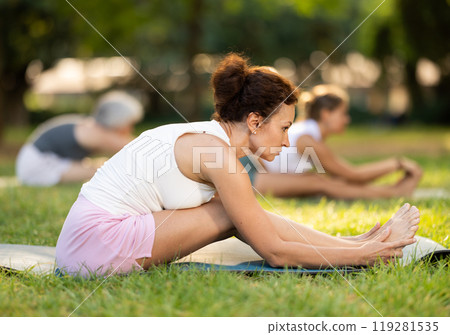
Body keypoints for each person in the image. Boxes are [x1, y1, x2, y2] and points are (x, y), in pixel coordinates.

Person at [55, 54, 420, 278]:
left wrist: (352, 242)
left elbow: (258, 223)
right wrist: (366, 256)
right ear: (256, 121)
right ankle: (364, 252)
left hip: (84, 246)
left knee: (235, 211)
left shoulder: (208, 140)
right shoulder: (217, 155)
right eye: (285, 128)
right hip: (94, 250)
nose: (288, 141)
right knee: (230, 214)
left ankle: (352, 244)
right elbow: (274, 252)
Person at [250, 84, 422, 199]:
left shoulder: (306, 132)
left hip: (260, 175)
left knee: (321, 182)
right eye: (343, 113)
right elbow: (354, 175)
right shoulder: (306, 138)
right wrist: (397, 163)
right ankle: (394, 193)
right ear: (326, 114)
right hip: (253, 175)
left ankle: (392, 191)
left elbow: (346, 178)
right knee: (319, 183)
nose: (347, 119)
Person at [16, 91, 144, 186]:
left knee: (103, 166)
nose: (131, 129)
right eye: (130, 124)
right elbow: (135, 147)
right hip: (37, 164)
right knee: (102, 171)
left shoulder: (90, 126)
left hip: (51, 158)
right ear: (118, 121)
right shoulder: (95, 132)